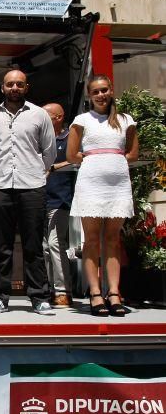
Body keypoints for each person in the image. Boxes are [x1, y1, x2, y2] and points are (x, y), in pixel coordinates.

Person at [0, 69, 56, 315]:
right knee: (2, 246)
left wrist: (36, 172)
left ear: (26, 87)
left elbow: (49, 152)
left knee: (33, 245)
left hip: (32, 187)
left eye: (19, 84)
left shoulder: (40, 115)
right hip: (0, 186)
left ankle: (39, 297)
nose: (14, 88)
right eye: (10, 84)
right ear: (2, 88)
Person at [67, 75, 139, 317]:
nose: (100, 95)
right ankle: (95, 293)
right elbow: (72, 154)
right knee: (91, 239)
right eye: (95, 91)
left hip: (117, 183)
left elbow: (132, 153)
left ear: (111, 90)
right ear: (89, 95)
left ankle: (114, 292)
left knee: (112, 239)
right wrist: (96, 160)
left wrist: (113, 159)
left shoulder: (125, 120)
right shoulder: (81, 120)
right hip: (91, 182)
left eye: (104, 90)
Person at [43, 102, 76, 308]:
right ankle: (49, 290)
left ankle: (64, 291)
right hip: (40, 199)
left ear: (59, 117)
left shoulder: (70, 136)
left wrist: (54, 167)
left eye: (46, 116)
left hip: (61, 199)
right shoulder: (40, 139)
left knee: (56, 244)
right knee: (44, 248)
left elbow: (77, 159)